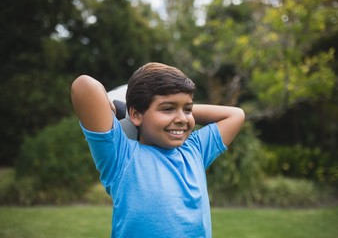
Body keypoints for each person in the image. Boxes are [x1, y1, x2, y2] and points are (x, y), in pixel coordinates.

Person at [71, 62, 245, 238]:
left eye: (188, 109)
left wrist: (176, 109)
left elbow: (235, 115)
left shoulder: (194, 150)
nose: (182, 119)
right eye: (168, 109)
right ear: (136, 115)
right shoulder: (121, 155)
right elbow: (84, 85)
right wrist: (128, 113)